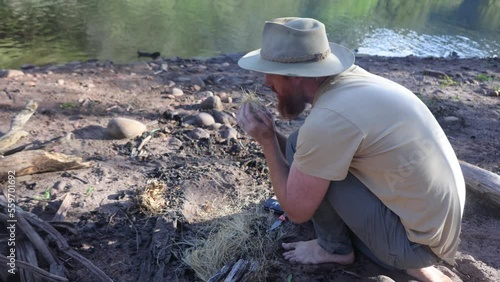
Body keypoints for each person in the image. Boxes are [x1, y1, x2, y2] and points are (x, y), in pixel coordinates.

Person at [236, 17, 465, 282]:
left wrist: (266, 142)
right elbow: (308, 156)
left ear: (296, 76)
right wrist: (272, 134)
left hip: (415, 245)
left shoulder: (329, 119)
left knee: (306, 150)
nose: (266, 82)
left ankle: (332, 249)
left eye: (270, 71)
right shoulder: (352, 82)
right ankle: (403, 252)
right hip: (436, 229)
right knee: (302, 145)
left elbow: (297, 212)